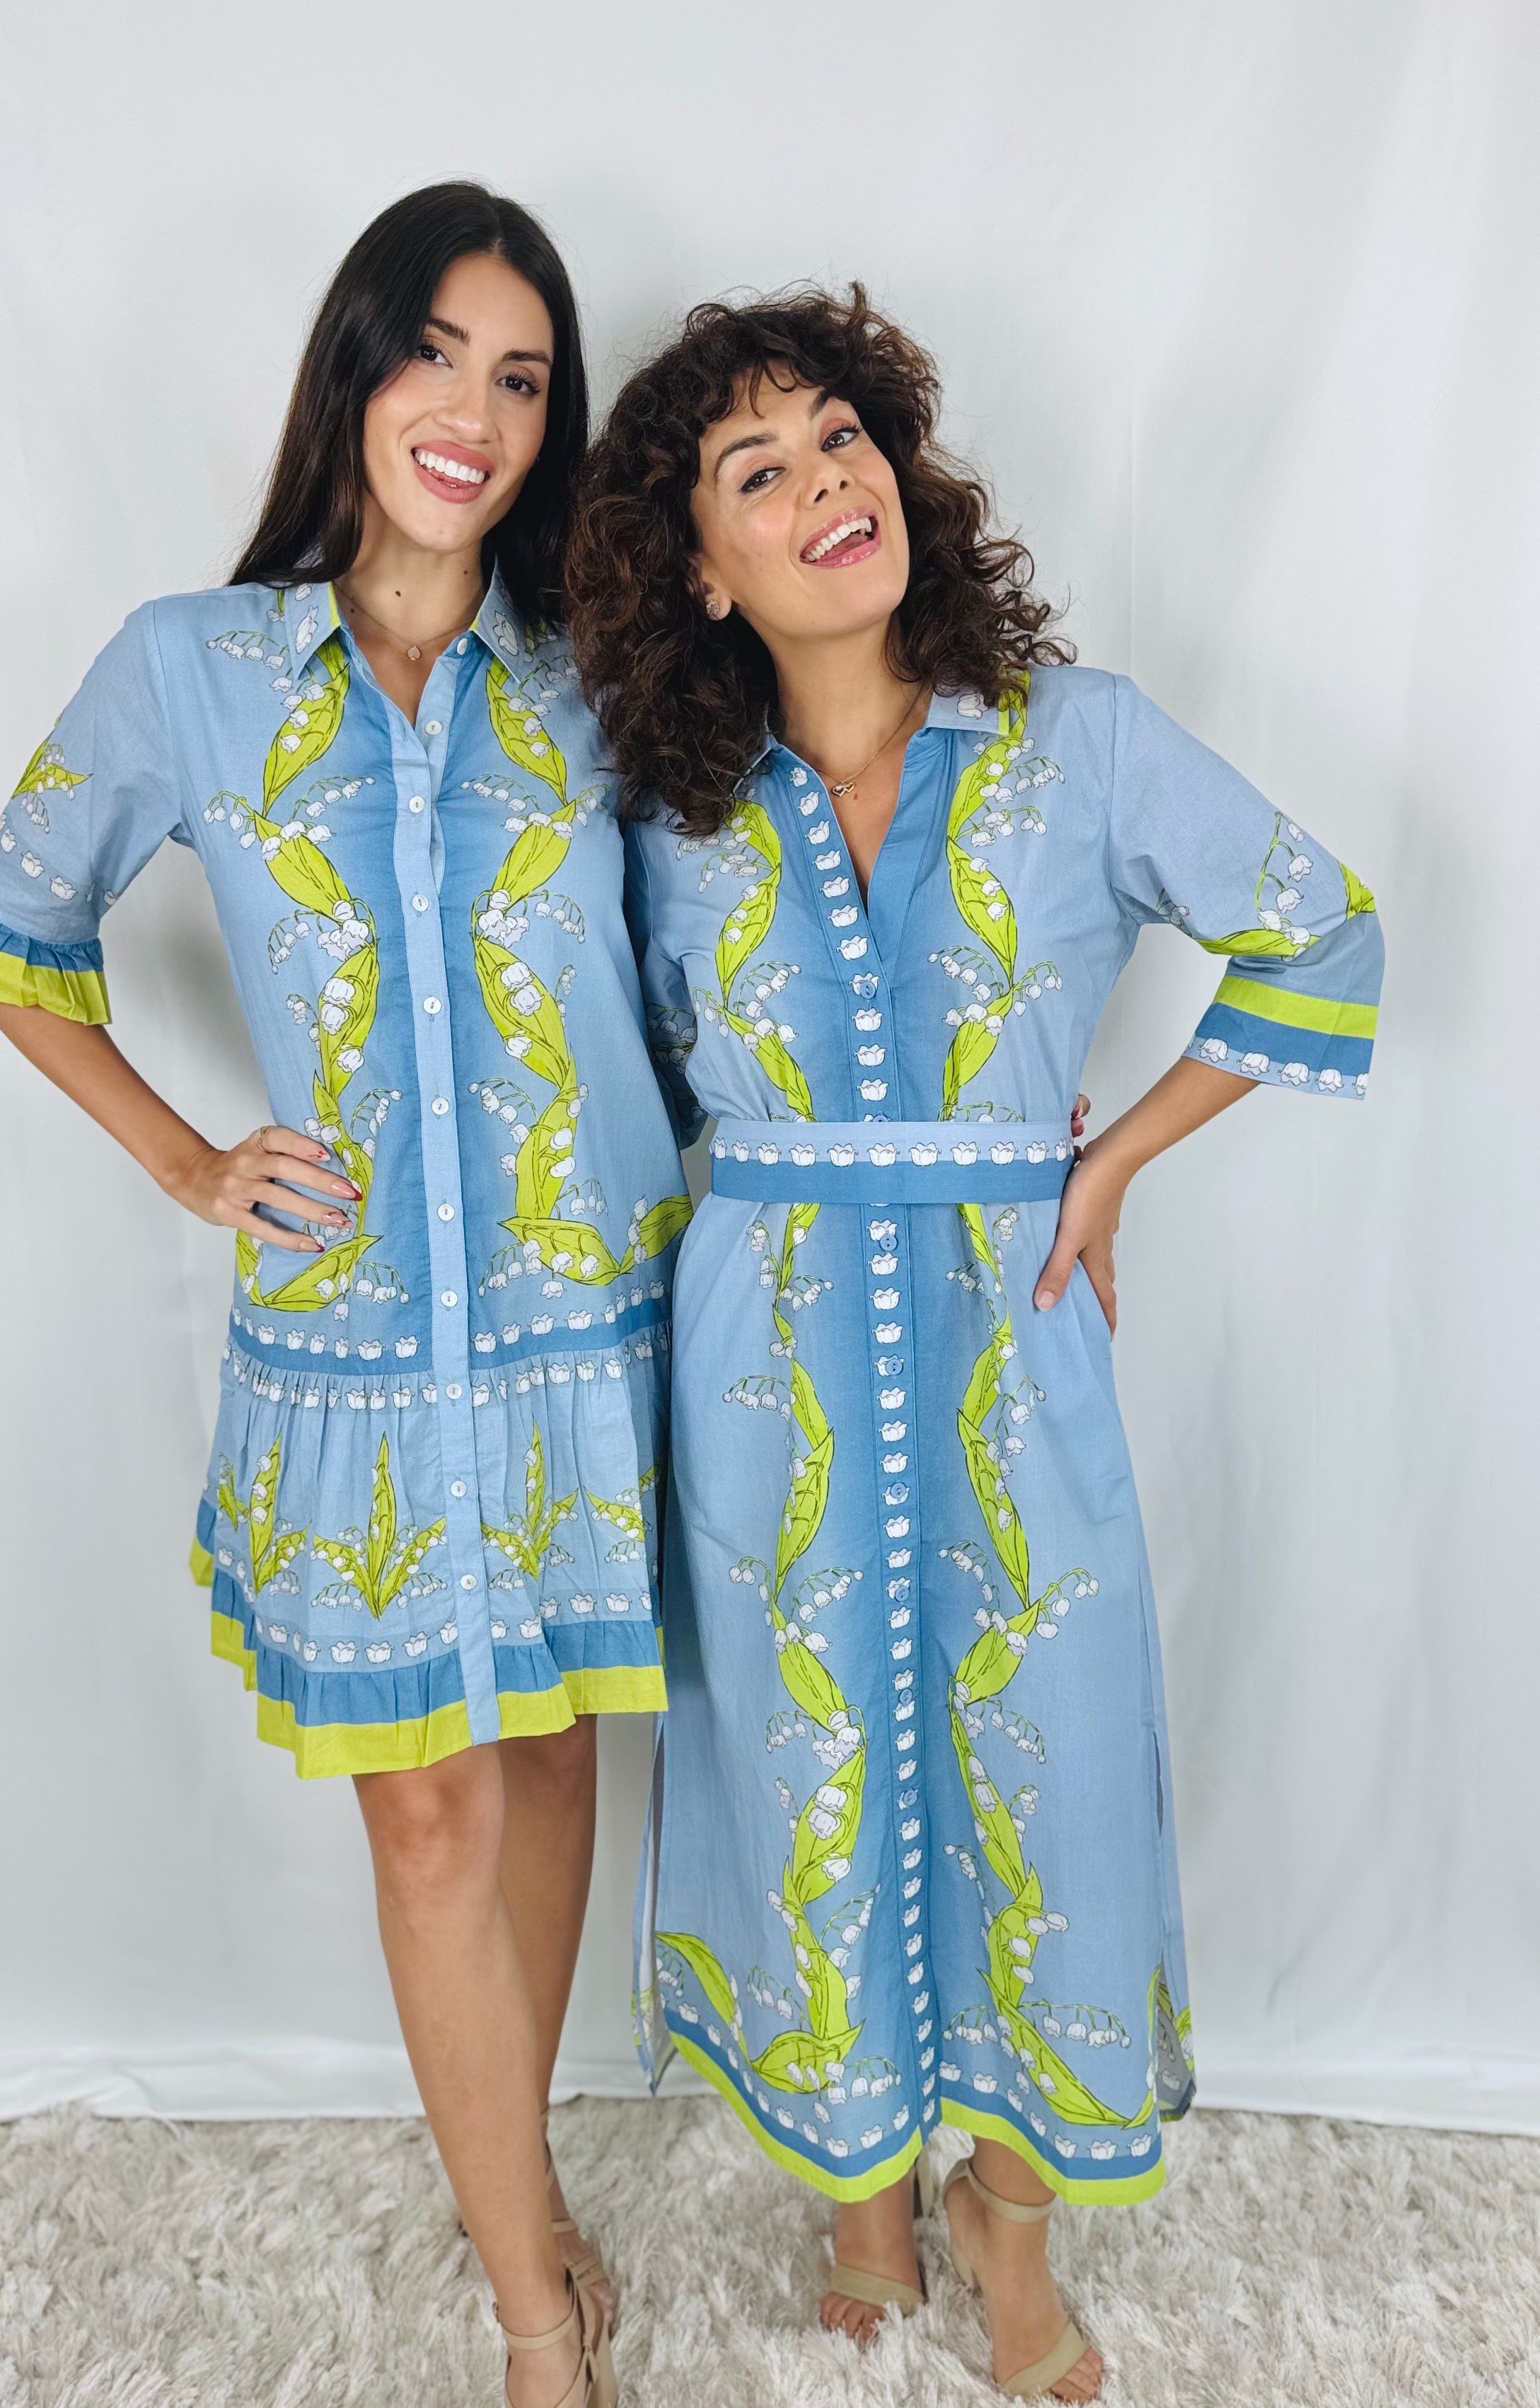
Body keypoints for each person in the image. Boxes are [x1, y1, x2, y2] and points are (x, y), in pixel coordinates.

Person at [0, 182, 691, 2408]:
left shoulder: (595, 680)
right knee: (423, 1806)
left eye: (519, 377)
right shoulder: (194, 668)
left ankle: (519, 2177)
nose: (472, 410)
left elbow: (699, 975)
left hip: (578, 1331)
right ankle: (532, 2313)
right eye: (433, 350)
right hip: (350, 1356)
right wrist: (184, 1156)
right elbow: (4, 926)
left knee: (549, 1754)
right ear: (352, 365)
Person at [567, 286, 1382, 2402]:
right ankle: (858, 2183)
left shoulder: (1075, 742)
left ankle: (1007, 2215)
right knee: (802, 1767)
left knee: (1051, 1763)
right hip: (759, 1370)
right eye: (758, 473)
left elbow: (1323, 924)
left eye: (843, 438)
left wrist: (1107, 1163)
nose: (825, 484)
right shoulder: (662, 810)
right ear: (697, 565)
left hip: (1010, 1349)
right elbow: (597, 1071)